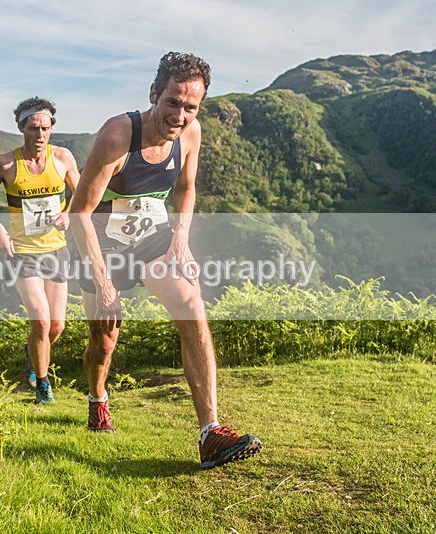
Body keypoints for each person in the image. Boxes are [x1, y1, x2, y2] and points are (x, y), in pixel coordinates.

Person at [69, 52, 262, 469]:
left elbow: (187, 189)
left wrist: (180, 238)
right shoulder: (119, 134)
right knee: (104, 342)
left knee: (192, 307)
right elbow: (79, 212)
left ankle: (210, 432)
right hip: (101, 243)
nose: (179, 115)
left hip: (153, 238)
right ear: (154, 93)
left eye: (190, 107)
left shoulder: (191, 134)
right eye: (172, 102)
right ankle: (98, 397)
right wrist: (103, 282)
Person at [0, 97, 80, 404]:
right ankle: (43, 387)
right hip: (22, 252)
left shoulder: (62, 158)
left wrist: (69, 214)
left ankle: (34, 356)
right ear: (21, 127)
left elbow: (82, 190)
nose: (40, 135)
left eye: (45, 128)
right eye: (33, 128)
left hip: (57, 250)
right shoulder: (5, 163)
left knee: (57, 325)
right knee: (41, 321)